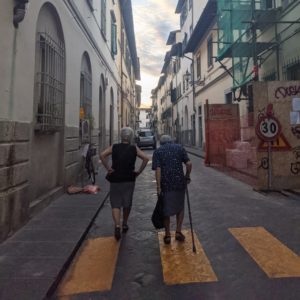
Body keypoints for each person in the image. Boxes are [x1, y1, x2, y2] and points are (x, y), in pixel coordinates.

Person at [100, 127, 149, 241]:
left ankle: (117, 225)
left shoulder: (115, 147)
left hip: (115, 178)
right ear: (131, 137)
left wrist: (108, 168)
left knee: (115, 203)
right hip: (129, 178)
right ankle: (125, 223)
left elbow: (102, 155)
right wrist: (139, 171)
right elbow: (146, 158)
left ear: (121, 136)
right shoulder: (134, 148)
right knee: (127, 202)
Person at [152, 135, 192, 244]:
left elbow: (158, 170)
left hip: (166, 184)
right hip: (179, 183)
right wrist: (187, 176)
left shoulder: (158, 152)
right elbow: (189, 163)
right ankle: (178, 231)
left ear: (161, 142)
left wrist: (158, 187)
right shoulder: (180, 148)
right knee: (180, 207)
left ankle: (168, 234)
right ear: (171, 141)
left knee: (166, 209)